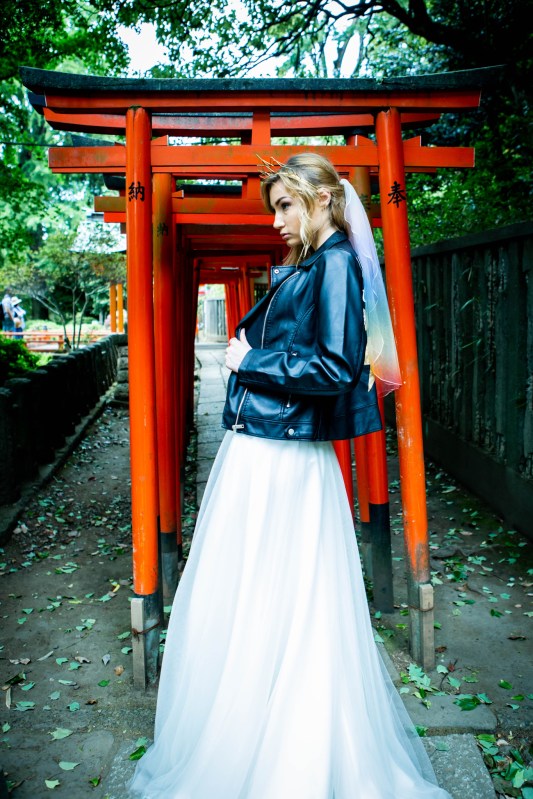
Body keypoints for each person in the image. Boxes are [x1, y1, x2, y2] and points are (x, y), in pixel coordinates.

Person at [129, 154, 450, 798]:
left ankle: (285, 744)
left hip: (286, 453)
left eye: (285, 205)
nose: (276, 220)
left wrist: (250, 360)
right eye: (273, 207)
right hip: (272, 446)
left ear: (323, 199)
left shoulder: (334, 265)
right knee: (270, 589)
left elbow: (335, 367)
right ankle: (262, 724)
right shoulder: (314, 263)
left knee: (284, 590)